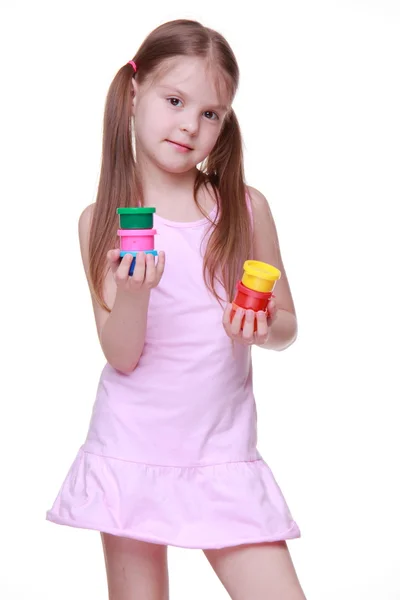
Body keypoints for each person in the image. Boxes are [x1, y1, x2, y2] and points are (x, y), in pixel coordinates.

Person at [46, 18, 306, 600]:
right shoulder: (103, 220)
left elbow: (286, 325)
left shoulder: (243, 208)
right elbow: (122, 355)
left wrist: (260, 328)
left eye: (211, 113)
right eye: (174, 100)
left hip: (222, 457)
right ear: (135, 95)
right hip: (132, 451)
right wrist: (136, 292)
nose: (190, 123)